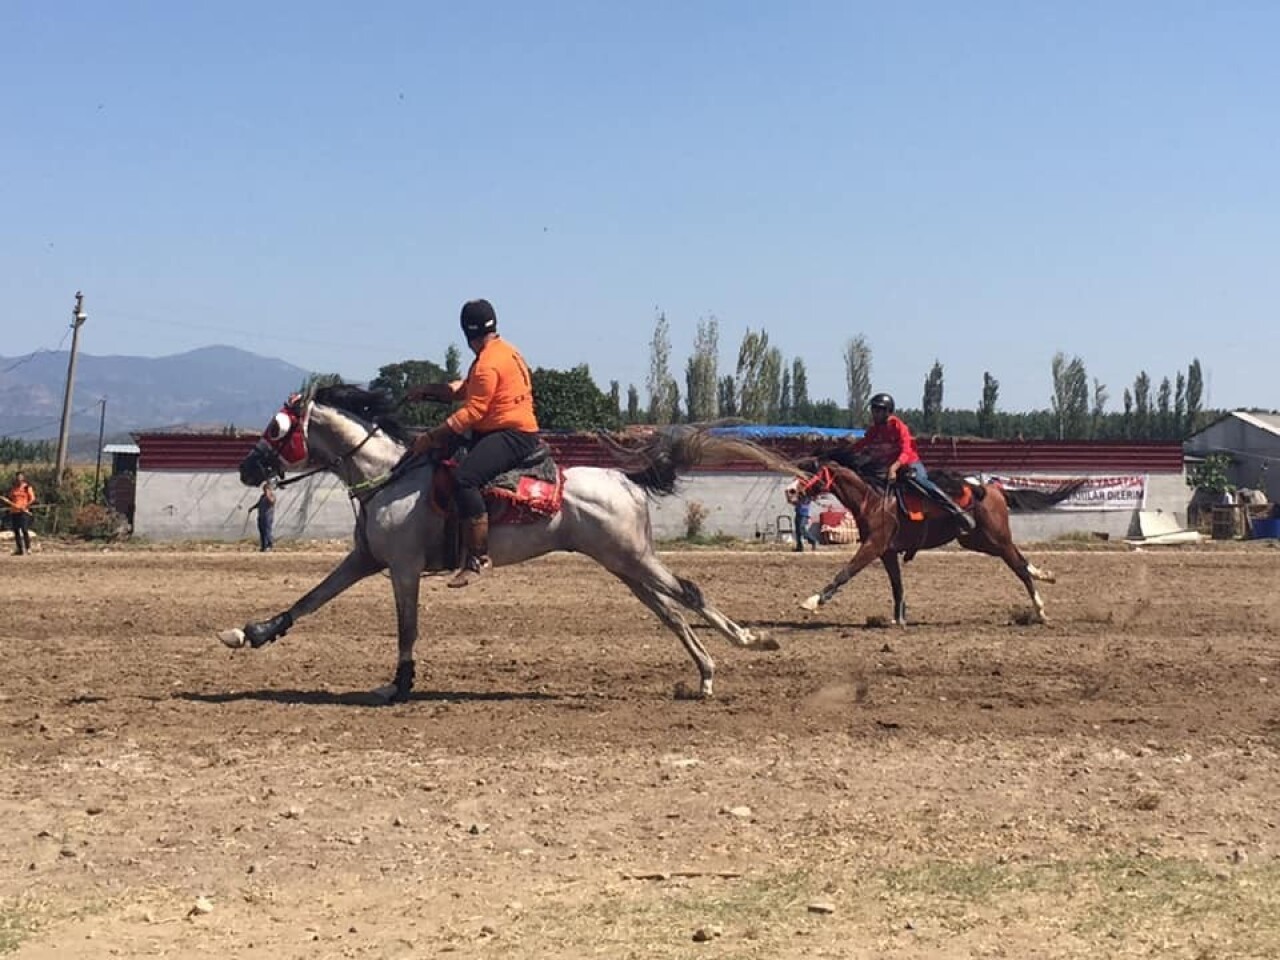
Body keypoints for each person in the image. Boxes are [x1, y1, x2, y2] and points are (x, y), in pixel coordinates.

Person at [407, 298, 540, 587]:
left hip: (511, 434)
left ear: (467, 333)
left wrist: (430, 437)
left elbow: (473, 411)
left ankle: (478, 558)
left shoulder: (487, 363)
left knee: (465, 478)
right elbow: (464, 390)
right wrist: (429, 391)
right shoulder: (504, 352)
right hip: (509, 429)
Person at [845, 392, 975, 532]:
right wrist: (845, 450)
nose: (874, 413)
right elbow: (863, 443)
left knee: (921, 483)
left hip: (909, 465)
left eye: (878, 410)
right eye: (873, 410)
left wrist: (894, 467)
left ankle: (956, 511)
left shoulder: (899, 427)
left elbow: (906, 451)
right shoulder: (875, 429)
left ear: (888, 412)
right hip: (890, 466)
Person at [5, 471, 36, 555]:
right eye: (17, 477)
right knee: (16, 531)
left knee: (24, 529)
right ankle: (19, 549)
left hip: (24, 512)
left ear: (23, 478)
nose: (19, 479)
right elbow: (10, 498)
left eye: (20, 477)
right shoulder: (14, 488)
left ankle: (28, 548)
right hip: (14, 512)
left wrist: (25, 505)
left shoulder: (27, 487)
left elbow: (32, 498)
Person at [246, 482, 276, 551]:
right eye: (264, 489)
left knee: (267, 531)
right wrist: (252, 508)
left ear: (269, 489)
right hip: (261, 516)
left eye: (266, 489)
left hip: (268, 517)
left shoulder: (272, 496)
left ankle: (269, 545)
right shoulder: (262, 496)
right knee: (262, 532)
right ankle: (263, 546)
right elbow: (258, 504)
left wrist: (268, 494)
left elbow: (272, 502)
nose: (264, 491)